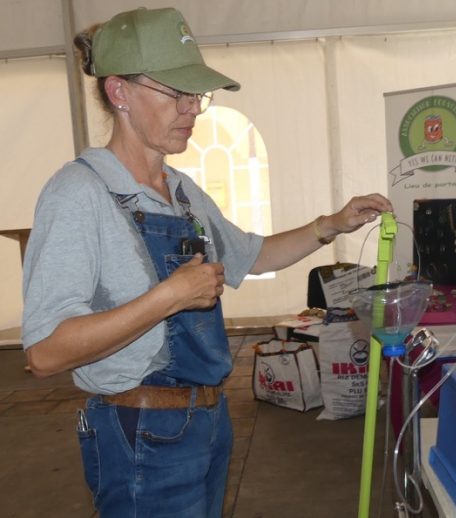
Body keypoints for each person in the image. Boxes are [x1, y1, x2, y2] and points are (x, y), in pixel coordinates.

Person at [21, 7, 392, 518]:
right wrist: (167, 298)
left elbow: (252, 255)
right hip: (140, 435)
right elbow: (44, 353)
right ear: (119, 92)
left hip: (209, 421)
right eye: (176, 93)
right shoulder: (79, 194)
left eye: (196, 94)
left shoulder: (182, 191)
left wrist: (330, 224)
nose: (192, 109)